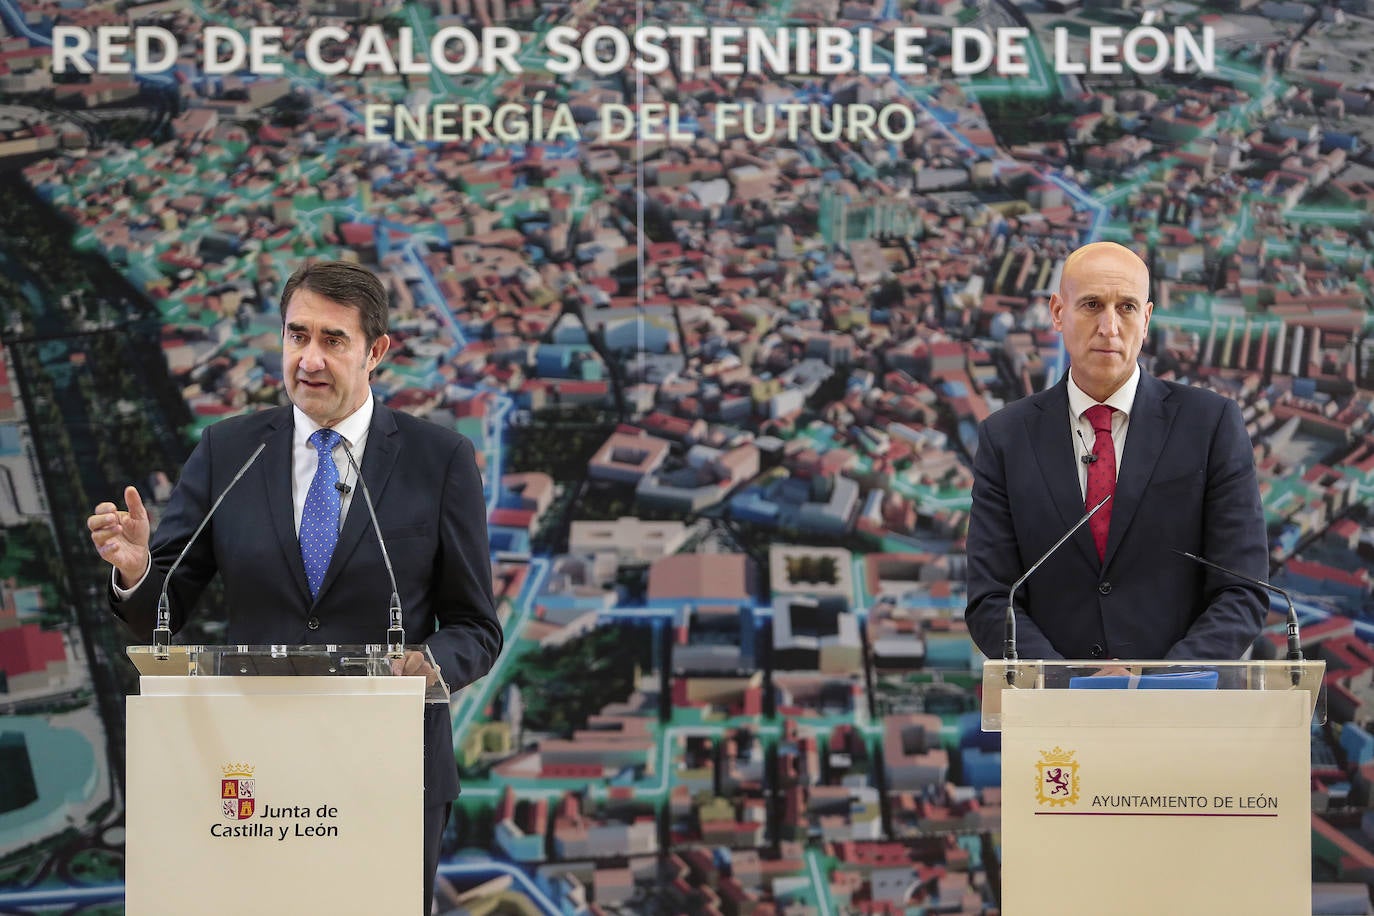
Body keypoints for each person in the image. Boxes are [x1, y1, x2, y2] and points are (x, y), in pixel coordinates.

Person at [87, 259, 502, 913]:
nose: (308, 359)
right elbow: (162, 610)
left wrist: (431, 665)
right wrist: (137, 571)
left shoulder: (440, 460)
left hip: (391, 770)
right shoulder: (229, 450)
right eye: (296, 335)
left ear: (377, 352)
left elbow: (478, 628)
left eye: (333, 340)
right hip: (256, 770)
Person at [965, 241, 1268, 661]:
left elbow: (1242, 590)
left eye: (1126, 307)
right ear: (1057, 312)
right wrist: (1069, 687)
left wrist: (1156, 687)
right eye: (1091, 305)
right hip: (1054, 712)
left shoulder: (1211, 425)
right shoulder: (1005, 437)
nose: (1109, 326)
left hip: (1174, 711)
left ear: (1146, 319)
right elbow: (991, 598)